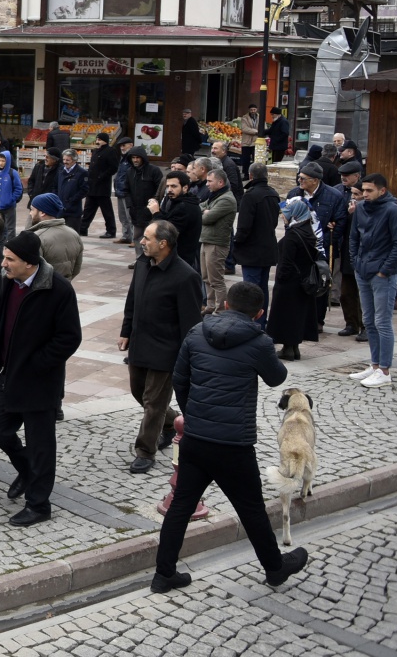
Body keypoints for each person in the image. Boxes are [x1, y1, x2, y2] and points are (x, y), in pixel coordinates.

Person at [151, 280, 308, 594]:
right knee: (251, 509)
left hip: (196, 439)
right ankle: (275, 568)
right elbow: (277, 377)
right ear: (259, 313)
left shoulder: (197, 332)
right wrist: (264, 344)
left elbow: (180, 379)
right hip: (233, 444)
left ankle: (164, 574)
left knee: (181, 506)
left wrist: (193, 415)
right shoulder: (259, 342)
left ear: (225, 305)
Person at [0, 231, 82, 526]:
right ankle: (27, 470)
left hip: (40, 381)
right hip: (8, 375)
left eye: (9, 259)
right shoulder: (8, 282)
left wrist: (37, 363)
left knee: (41, 445)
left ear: (29, 263)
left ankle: (39, 505)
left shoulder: (58, 289)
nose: (3, 264)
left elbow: (69, 338)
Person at [118, 219, 201, 473]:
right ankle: (170, 422)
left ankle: (145, 451)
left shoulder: (186, 276)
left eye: (147, 238)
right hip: (139, 344)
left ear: (163, 243)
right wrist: (126, 331)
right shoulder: (143, 264)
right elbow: (132, 300)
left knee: (154, 402)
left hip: (166, 352)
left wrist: (188, 358)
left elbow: (191, 324)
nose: (142, 241)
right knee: (139, 393)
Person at [349, 173, 397, 388]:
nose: (364, 194)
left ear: (382, 191)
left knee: (382, 322)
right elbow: (353, 237)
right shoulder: (361, 208)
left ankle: (384, 370)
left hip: (383, 275)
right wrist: (355, 262)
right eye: (363, 190)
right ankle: (375, 365)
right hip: (363, 270)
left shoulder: (393, 210)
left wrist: (384, 270)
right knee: (369, 321)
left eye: (369, 190)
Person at [286, 162, 345, 332]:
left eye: (303, 178)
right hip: (298, 247)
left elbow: (339, 224)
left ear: (315, 180)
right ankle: (299, 317)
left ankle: (317, 320)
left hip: (322, 248)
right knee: (298, 282)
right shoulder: (294, 194)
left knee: (320, 284)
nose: (299, 181)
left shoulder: (333, 196)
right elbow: (287, 220)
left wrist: (320, 241)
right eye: (299, 177)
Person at [267, 198, 322, 361]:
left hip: (289, 283)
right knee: (297, 316)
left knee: (286, 316)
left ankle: (288, 349)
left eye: (285, 213)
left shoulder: (293, 235)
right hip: (304, 282)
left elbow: (286, 262)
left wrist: (281, 279)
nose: (282, 216)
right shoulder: (308, 231)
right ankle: (294, 348)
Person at [232, 162, 279, 307]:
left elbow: (244, 226)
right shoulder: (273, 194)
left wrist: (237, 243)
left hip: (252, 251)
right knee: (262, 288)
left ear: (251, 176)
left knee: (250, 290)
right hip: (267, 248)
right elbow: (274, 222)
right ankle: (261, 317)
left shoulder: (250, 196)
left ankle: (251, 318)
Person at [197, 168, 237, 313]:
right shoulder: (215, 196)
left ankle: (220, 310)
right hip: (207, 240)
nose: (207, 184)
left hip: (216, 244)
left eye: (210, 181)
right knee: (206, 277)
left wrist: (205, 212)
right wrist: (205, 211)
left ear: (220, 182)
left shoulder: (226, 199)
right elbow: (200, 207)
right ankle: (211, 306)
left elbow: (207, 218)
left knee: (216, 280)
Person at [335, 161, 367, 339]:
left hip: (364, 254)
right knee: (346, 292)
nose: (343, 178)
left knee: (364, 293)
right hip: (347, 250)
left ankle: (366, 326)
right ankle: (351, 323)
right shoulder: (339, 191)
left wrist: (356, 213)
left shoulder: (369, 201)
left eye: (347, 175)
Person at [148, 171, 202, 271]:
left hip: (180, 259)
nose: (169, 190)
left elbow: (167, 232)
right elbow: (169, 219)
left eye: (174, 186)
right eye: (167, 186)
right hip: (176, 258)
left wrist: (156, 213)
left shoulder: (185, 207)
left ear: (185, 188)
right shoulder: (176, 202)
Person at [24, 194, 83, 280]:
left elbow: (30, 271)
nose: (30, 213)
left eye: (32, 209)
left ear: (42, 213)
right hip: (65, 285)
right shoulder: (74, 234)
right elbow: (76, 269)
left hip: (43, 287)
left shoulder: (37, 237)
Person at [55, 149, 88, 233]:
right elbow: (55, 186)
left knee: (72, 234)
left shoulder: (82, 172)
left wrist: (72, 200)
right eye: (64, 159)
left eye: (67, 160)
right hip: (60, 209)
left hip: (73, 211)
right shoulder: (60, 170)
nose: (65, 162)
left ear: (74, 160)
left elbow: (84, 190)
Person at [237, 105, 260, 172]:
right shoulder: (244, 118)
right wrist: (256, 132)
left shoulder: (260, 117)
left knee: (256, 159)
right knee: (246, 159)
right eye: (251, 110)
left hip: (256, 141)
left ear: (256, 110)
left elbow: (263, 127)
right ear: (249, 110)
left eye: (254, 109)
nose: (253, 111)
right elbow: (244, 129)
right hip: (246, 142)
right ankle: (245, 173)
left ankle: (255, 173)